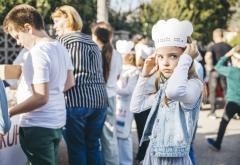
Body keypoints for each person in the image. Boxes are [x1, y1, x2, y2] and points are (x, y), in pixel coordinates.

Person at [4, 4, 75, 165]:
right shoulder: (61, 47)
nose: (18, 43)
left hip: (38, 125)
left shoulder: (37, 53)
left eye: (17, 36)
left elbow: (41, 97)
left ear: (28, 28)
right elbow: (70, 82)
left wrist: (9, 112)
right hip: (55, 121)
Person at [130, 18, 203, 165]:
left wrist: (187, 59)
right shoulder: (164, 86)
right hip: (153, 155)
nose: (165, 62)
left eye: (173, 56)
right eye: (160, 56)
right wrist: (144, 76)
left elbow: (174, 92)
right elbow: (136, 106)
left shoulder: (194, 85)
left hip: (174, 160)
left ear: (185, 58)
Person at [51, 6, 108, 165]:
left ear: (67, 18)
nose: (54, 26)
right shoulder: (92, 41)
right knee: (93, 147)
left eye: (56, 21)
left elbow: (62, 77)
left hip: (76, 101)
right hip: (100, 101)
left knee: (77, 149)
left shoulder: (62, 42)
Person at [91, 21, 122, 165]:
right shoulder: (117, 55)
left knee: (97, 138)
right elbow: (117, 77)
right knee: (109, 136)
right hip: (110, 97)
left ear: (96, 37)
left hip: (97, 98)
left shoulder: (94, 53)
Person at [206, 46, 240, 151]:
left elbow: (217, 66)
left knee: (224, 123)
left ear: (236, 60)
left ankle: (217, 144)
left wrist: (226, 55)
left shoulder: (232, 71)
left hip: (232, 103)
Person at [115, 40, 139, 165]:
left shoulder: (133, 72)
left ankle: (126, 162)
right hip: (116, 106)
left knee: (124, 135)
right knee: (116, 135)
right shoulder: (117, 68)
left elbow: (129, 91)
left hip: (127, 107)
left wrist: (112, 88)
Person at [204, 28, 232, 118]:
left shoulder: (212, 47)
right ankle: (227, 112)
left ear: (214, 36)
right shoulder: (228, 46)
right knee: (226, 91)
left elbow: (208, 56)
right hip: (225, 71)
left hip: (214, 71)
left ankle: (212, 112)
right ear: (222, 35)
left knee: (212, 92)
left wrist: (209, 66)